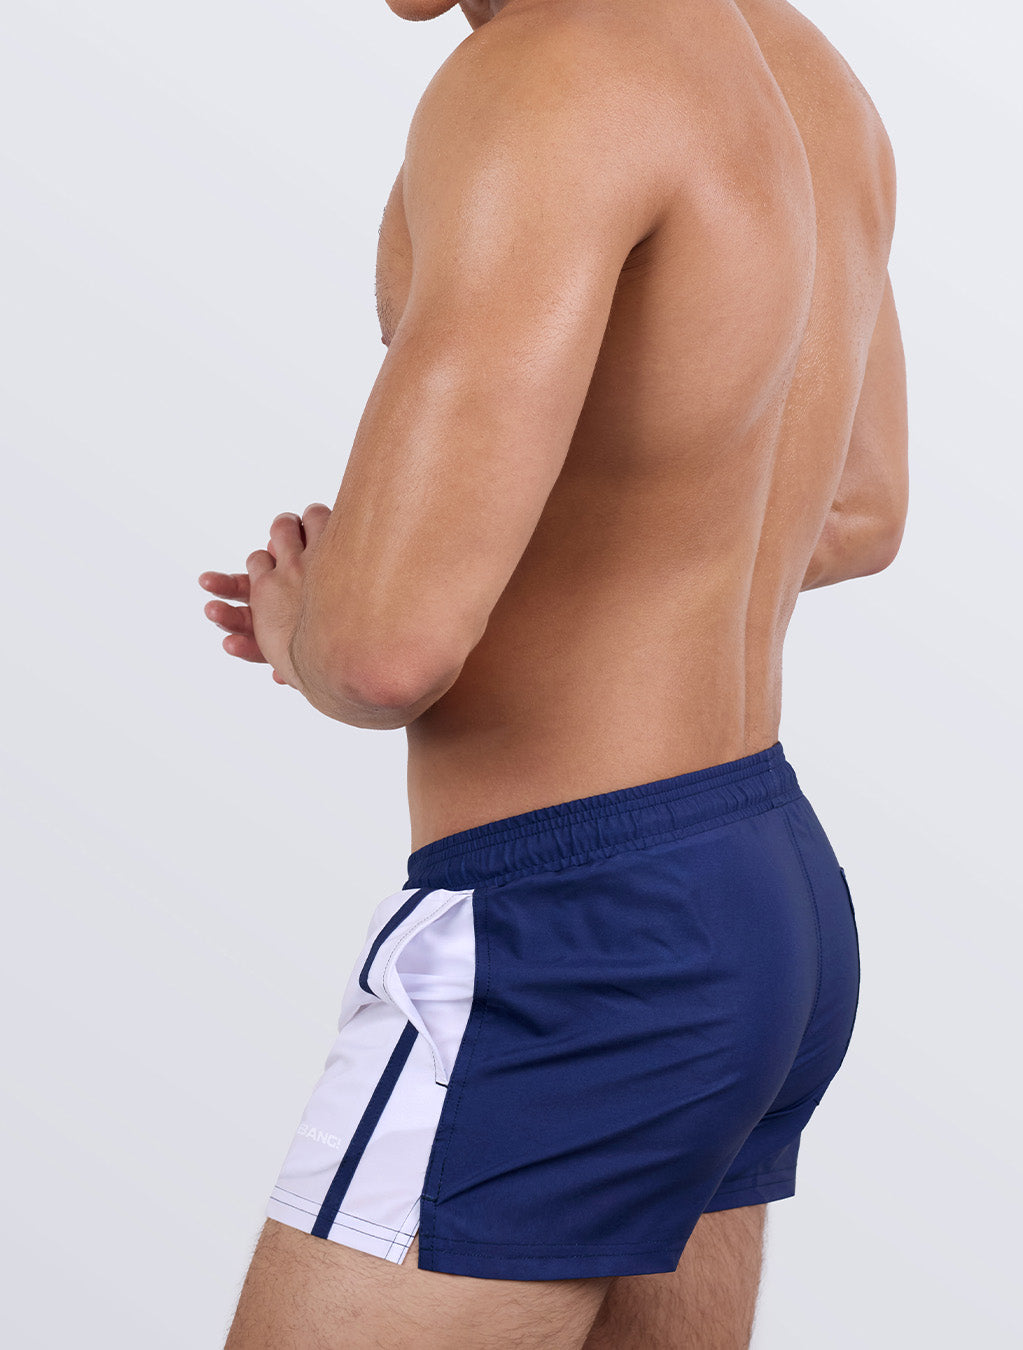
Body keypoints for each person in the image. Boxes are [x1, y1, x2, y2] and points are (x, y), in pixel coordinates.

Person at [198, 0, 907, 1344]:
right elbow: (859, 510)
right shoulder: (802, 70)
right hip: (762, 891)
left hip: (574, 930)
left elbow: (383, 653)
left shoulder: (548, 72)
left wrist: (310, 628)